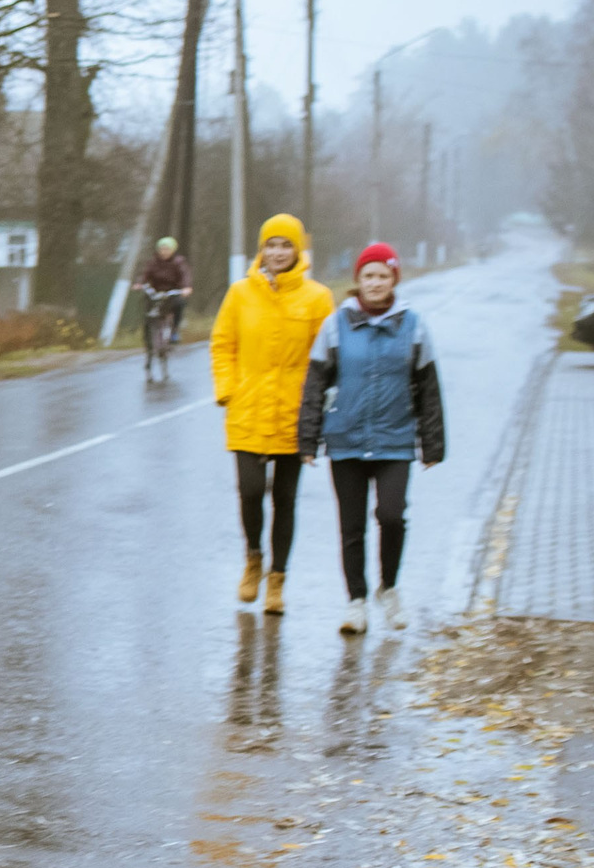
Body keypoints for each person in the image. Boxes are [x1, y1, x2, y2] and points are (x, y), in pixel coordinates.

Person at [300, 242, 444, 634]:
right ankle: (356, 602)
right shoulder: (336, 325)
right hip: (345, 439)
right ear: (358, 280)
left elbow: (429, 387)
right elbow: (315, 383)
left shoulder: (413, 325)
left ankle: (389, 588)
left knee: (392, 516)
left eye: (383, 276)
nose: (376, 283)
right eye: (369, 276)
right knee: (351, 527)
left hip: (394, 439)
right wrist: (307, 440)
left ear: (394, 279)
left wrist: (432, 444)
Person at [210, 213, 334, 616]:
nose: (278, 253)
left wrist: (317, 408)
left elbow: (327, 358)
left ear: (299, 250)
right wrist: (228, 390)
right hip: (247, 409)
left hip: (294, 415)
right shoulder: (240, 293)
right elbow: (222, 343)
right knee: (249, 491)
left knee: (285, 498)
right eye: (271, 245)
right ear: (261, 250)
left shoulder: (317, 298)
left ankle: (278, 578)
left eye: (286, 245)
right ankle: (253, 559)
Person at [137, 235, 194, 342]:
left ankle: (175, 330)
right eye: (161, 249)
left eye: (167, 249)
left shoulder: (179, 262)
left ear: (172, 250)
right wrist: (139, 283)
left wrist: (186, 287)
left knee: (179, 304)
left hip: (173, 291)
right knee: (146, 304)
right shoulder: (153, 262)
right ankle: (148, 333)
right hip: (156, 291)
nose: (163, 252)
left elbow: (185, 274)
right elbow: (145, 274)